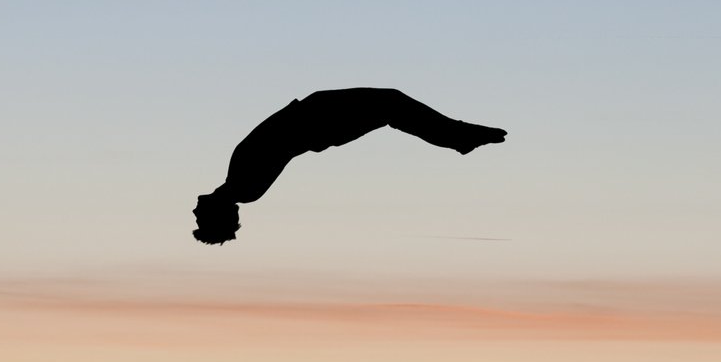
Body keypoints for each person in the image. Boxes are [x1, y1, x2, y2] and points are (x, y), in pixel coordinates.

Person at [193, 88, 506, 244]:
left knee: (393, 107)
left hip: (316, 117)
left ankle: (458, 136)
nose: (193, 209)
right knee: (392, 106)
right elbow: (281, 143)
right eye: (199, 216)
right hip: (318, 120)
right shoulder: (243, 188)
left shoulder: (237, 185)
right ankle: (458, 137)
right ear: (217, 214)